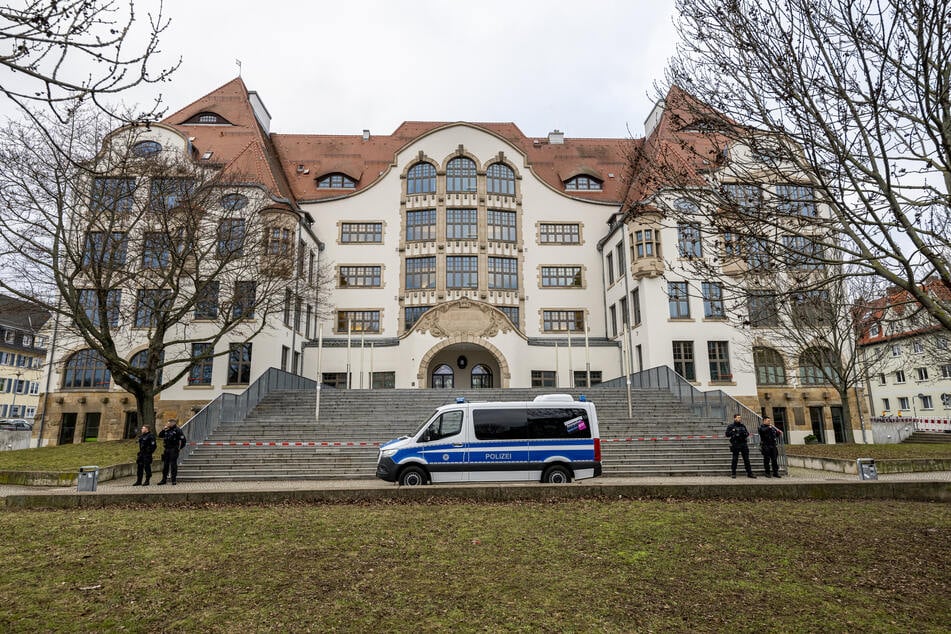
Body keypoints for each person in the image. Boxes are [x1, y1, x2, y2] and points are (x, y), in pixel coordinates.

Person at [725, 414, 756, 479]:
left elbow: (747, 433)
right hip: (736, 444)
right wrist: (734, 432)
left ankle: (749, 473)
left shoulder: (743, 426)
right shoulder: (731, 426)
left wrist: (744, 434)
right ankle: (733, 473)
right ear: (735, 418)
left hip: (743, 444)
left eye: (740, 418)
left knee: (746, 459)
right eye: (738, 417)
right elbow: (727, 434)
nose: (739, 419)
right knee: (735, 459)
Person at [157, 419, 187, 485]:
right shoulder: (166, 430)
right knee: (165, 465)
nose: (167, 424)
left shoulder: (177, 430)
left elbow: (183, 440)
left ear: (172, 423)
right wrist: (163, 429)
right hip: (166, 449)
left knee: (173, 465)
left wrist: (179, 448)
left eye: (168, 423)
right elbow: (160, 435)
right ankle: (164, 479)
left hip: (173, 449)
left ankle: (173, 480)